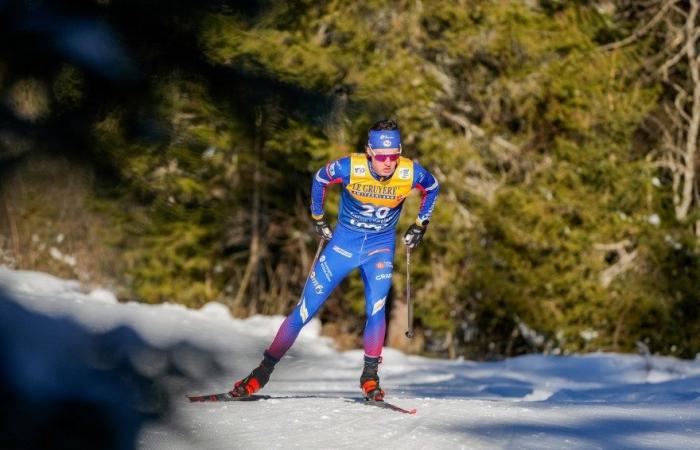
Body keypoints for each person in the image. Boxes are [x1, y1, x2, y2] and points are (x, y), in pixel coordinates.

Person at [231, 119, 439, 401]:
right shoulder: (350, 167)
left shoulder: (409, 171)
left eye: (393, 156)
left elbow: (433, 187)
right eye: (381, 157)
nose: (388, 163)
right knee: (303, 311)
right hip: (343, 246)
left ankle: (370, 379)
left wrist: (420, 224)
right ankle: (260, 374)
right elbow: (320, 178)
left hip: (379, 249)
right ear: (369, 152)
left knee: (376, 309)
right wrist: (317, 217)